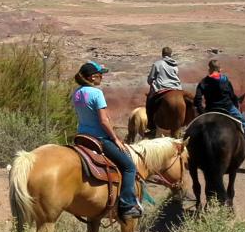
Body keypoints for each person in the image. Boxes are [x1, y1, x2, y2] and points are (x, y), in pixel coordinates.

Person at [73, 60, 142, 221]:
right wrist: (115, 139)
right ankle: (127, 205)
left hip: (82, 137)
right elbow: (104, 121)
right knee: (129, 167)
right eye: (100, 75)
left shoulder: (76, 93)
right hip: (99, 138)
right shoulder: (97, 93)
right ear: (92, 77)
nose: (101, 78)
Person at [194, 59, 245, 153]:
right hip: (228, 107)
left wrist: (202, 112)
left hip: (211, 109)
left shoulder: (203, 82)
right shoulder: (225, 80)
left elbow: (197, 99)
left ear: (209, 69)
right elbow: (231, 96)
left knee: (195, 128)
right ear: (219, 69)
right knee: (244, 122)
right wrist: (234, 104)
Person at [145, 46, 182, 136]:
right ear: (170, 54)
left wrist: (150, 81)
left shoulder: (157, 64)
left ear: (162, 54)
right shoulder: (175, 65)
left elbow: (150, 79)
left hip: (162, 88)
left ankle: (151, 126)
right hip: (177, 88)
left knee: (149, 103)